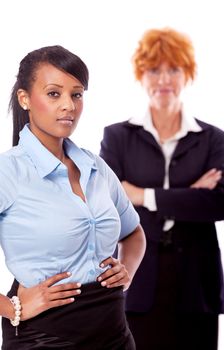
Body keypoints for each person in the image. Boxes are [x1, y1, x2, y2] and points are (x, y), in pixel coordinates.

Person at [0, 45, 146, 350]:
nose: (68, 105)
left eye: (76, 94)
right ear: (24, 98)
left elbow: (133, 233)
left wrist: (126, 272)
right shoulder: (8, 172)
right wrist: (13, 307)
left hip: (114, 331)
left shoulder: (96, 167)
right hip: (45, 336)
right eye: (54, 94)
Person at [100, 27, 224, 350]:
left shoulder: (213, 139)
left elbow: (218, 204)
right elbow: (106, 205)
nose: (163, 79)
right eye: (154, 70)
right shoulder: (118, 137)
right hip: (136, 281)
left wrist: (142, 195)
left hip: (197, 285)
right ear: (141, 75)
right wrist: (190, 195)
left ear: (188, 75)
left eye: (174, 69)